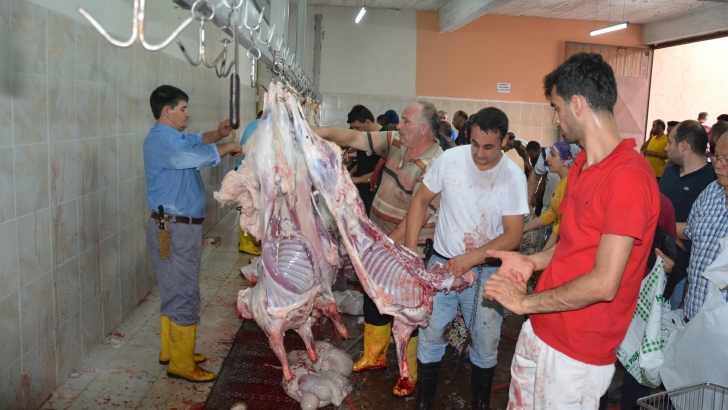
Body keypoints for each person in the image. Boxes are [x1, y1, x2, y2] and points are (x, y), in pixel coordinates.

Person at [483, 52, 660, 409]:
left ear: (577, 104)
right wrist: (532, 262)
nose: (555, 119)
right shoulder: (581, 164)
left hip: (576, 353)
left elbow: (604, 283)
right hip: (542, 327)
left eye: (557, 108)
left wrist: (524, 302)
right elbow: (567, 245)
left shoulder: (628, 178)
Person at [314, 102, 444, 397]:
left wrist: (383, 248)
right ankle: (375, 355)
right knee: (373, 297)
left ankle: (408, 372)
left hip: (409, 246)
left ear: (424, 128)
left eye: (406, 121)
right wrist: (311, 131)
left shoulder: (435, 163)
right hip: (379, 237)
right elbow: (351, 137)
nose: (399, 125)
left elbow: (416, 215)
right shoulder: (397, 141)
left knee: (407, 310)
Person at [405, 107, 528, 410]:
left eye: (489, 147)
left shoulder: (512, 177)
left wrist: (470, 259)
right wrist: (410, 253)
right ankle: (424, 401)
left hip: (486, 271)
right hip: (441, 263)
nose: (480, 154)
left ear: (505, 141)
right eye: (475, 144)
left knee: (485, 340)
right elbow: (420, 200)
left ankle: (480, 402)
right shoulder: (450, 159)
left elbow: (514, 235)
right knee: (431, 334)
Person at [144, 85, 243, 382]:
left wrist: (218, 135)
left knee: (173, 287)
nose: (188, 114)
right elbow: (198, 156)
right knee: (184, 290)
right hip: (176, 228)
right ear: (167, 111)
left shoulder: (171, 137)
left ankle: (171, 350)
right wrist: (228, 146)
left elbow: (197, 141)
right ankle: (182, 364)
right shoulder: (162, 141)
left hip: (174, 225)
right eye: (183, 109)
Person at [659, 120, 716, 310]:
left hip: (683, 271)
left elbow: (704, 229)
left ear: (684, 145)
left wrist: (659, 226)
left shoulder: (712, 182)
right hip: (657, 260)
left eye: (670, 142)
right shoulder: (669, 171)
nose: (666, 148)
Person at [682, 133, 728, 322]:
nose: (717, 165)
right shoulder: (709, 193)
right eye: (716, 157)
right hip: (692, 320)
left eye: (727, 159)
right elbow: (696, 257)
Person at [522, 141, 574, 249]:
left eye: (553, 155)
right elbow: (550, 214)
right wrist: (524, 228)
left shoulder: (569, 185)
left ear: (565, 161)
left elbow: (558, 227)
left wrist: (544, 253)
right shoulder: (562, 183)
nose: (547, 159)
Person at [346, 105, 383, 216]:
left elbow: (382, 171)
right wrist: (351, 172)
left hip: (373, 193)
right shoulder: (365, 136)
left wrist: (359, 179)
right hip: (360, 190)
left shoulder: (385, 137)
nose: (355, 132)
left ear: (367, 122)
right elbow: (364, 161)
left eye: (357, 128)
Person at [236, 110, 264, 255]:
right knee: (248, 207)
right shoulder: (259, 125)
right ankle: (245, 242)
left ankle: (251, 238)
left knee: (253, 207)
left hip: (249, 170)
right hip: (248, 172)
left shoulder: (254, 124)